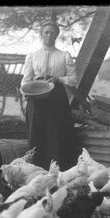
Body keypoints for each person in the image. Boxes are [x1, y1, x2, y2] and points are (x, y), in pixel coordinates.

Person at [21, 21, 78, 171]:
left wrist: (59, 79)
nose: (49, 35)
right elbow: (25, 81)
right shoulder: (33, 55)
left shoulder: (64, 55)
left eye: (52, 32)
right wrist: (27, 91)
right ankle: (35, 169)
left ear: (57, 35)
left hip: (57, 98)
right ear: (41, 34)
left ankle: (58, 168)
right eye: (46, 32)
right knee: (36, 132)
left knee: (56, 132)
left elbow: (73, 80)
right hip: (36, 96)